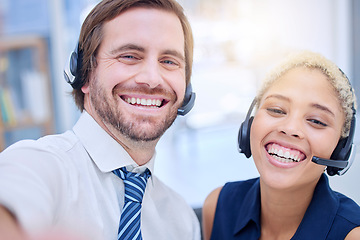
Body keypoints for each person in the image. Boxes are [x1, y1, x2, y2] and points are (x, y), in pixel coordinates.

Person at [0, 0, 200, 239]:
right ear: (84, 74)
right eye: (129, 56)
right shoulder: (37, 165)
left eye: (169, 61)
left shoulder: (182, 221)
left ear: (186, 90)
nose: (152, 78)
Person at [202, 51, 360, 240]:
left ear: (340, 148)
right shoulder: (219, 206)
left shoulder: (352, 235)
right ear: (250, 124)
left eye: (317, 121)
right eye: (276, 109)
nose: (290, 128)